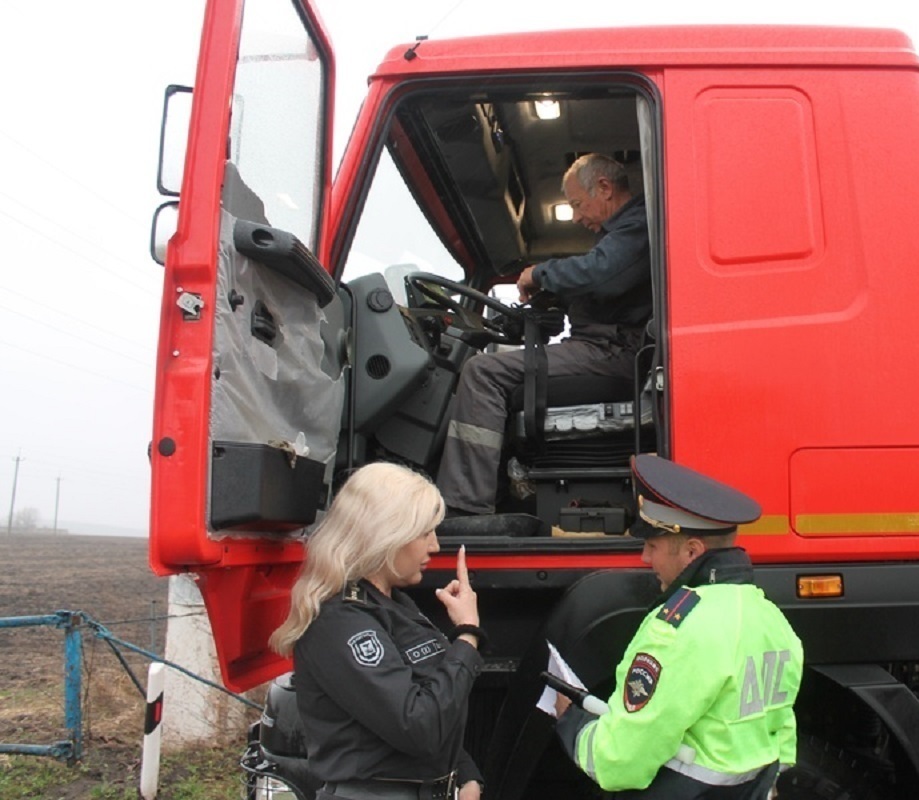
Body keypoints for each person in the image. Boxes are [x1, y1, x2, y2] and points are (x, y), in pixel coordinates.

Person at [553, 455, 804, 798]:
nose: (645, 558)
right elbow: (781, 738)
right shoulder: (770, 618)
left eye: (653, 546)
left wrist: (572, 724)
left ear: (691, 551)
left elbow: (618, 762)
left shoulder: (677, 629)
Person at [437, 152, 652, 514]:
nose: (578, 217)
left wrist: (540, 274)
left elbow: (602, 271)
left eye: (578, 205)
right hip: (605, 348)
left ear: (604, 187)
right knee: (497, 373)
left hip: (613, 352)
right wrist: (556, 298)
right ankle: (502, 491)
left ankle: (464, 509)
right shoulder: (622, 234)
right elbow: (603, 284)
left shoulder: (638, 225)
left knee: (482, 372)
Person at [269, 463, 485, 800]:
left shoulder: (396, 605)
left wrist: (464, 774)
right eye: (424, 532)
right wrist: (468, 635)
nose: (436, 546)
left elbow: (436, 698)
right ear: (385, 533)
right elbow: (418, 725)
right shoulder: (340, 621)